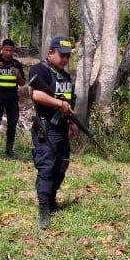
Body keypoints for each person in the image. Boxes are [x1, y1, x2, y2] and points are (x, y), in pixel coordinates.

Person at [28, 36, 75, 230]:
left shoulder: (65, 76)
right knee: (47, 168)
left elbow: (69, 102)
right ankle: (44, 209)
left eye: (68, 57)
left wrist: (73, 123)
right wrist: (59, 104)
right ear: (50, 53)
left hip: (62, 127)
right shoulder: (40, 70)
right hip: (46, 128)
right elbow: (36, 94)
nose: (65, 60)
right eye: (61, 55)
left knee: (62, 165)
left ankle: (52, 198)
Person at [0, 38, 26, 159]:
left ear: (14, 51)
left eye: (11, 51)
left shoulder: (16, 64)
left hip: (12, 98)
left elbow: (22, 83)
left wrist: (18, 74)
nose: (8, 53)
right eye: (6, 50)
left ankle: (9, 150)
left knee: (12, 123)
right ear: (1, 49)